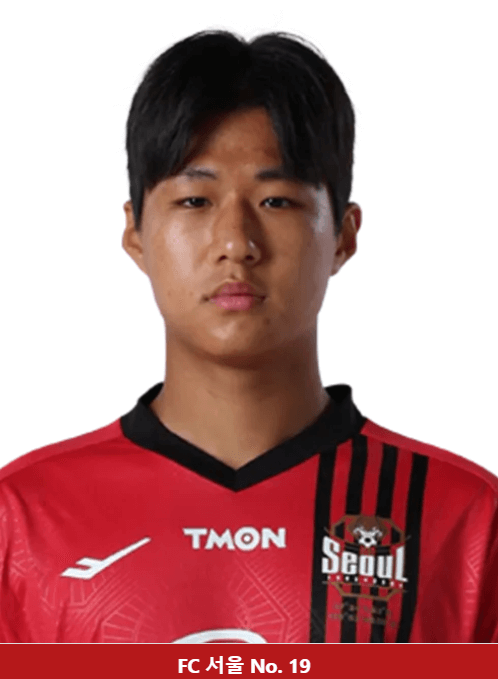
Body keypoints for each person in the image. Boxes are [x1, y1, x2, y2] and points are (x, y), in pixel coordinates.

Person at [0, 29, 496, 645]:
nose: (236, 242)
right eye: (195, 200)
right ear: (135, 232)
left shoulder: (463, 520)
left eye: (277, 201)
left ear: (343, 234)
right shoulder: (23, 519)